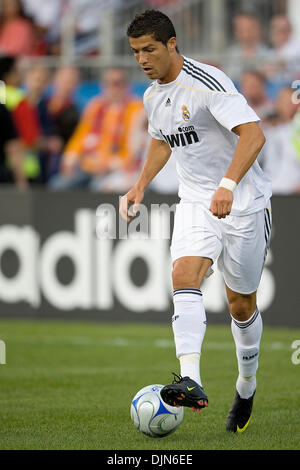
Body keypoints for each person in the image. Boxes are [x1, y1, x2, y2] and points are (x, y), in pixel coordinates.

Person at [120, 10, 272, 433]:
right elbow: (161, 139)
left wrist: (227, 184)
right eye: (135, 52)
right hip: (195, 203)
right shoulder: (153, 95)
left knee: (241, 304)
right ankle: (193, 380)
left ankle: (246, 385)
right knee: (183, 273)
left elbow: (254, 134)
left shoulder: (208, 82)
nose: (142, 59)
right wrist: (139, 186)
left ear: (172, 44)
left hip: (242, 201)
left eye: (149, 49)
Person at [49, 67, 146, 191]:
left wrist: (110, 165)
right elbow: (80, 136)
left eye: (118, 84)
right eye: (109, 84)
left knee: (98, 187)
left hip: (117, 169)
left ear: (126, 86)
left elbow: (135, 148)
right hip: (88, 166)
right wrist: (69, 160)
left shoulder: (136, 109)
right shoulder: (95, 106)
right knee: (58, 185)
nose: (114, 88)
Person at [225, 12, 270, 82]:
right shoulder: (230, 55)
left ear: (258, 29)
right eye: (241, 29)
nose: (246, 34)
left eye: (249, 29)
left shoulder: (268, 55)